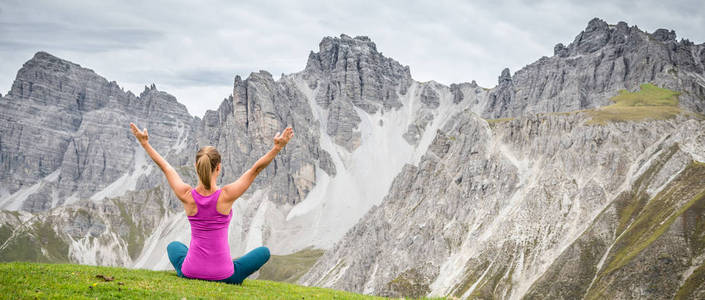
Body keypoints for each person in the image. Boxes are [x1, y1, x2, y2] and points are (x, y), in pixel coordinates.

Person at [129, 122, 294, 284]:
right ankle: (221, 265)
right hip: (224, 275)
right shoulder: (226, 196)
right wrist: (277, 148)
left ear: (196, 167)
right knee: (263, 252)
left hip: (190, 272)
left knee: (173, 246)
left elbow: (167, 168)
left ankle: (196, 267)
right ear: (218, 168)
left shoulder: (187, 195)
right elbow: (255, 170)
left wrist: (145, 143)